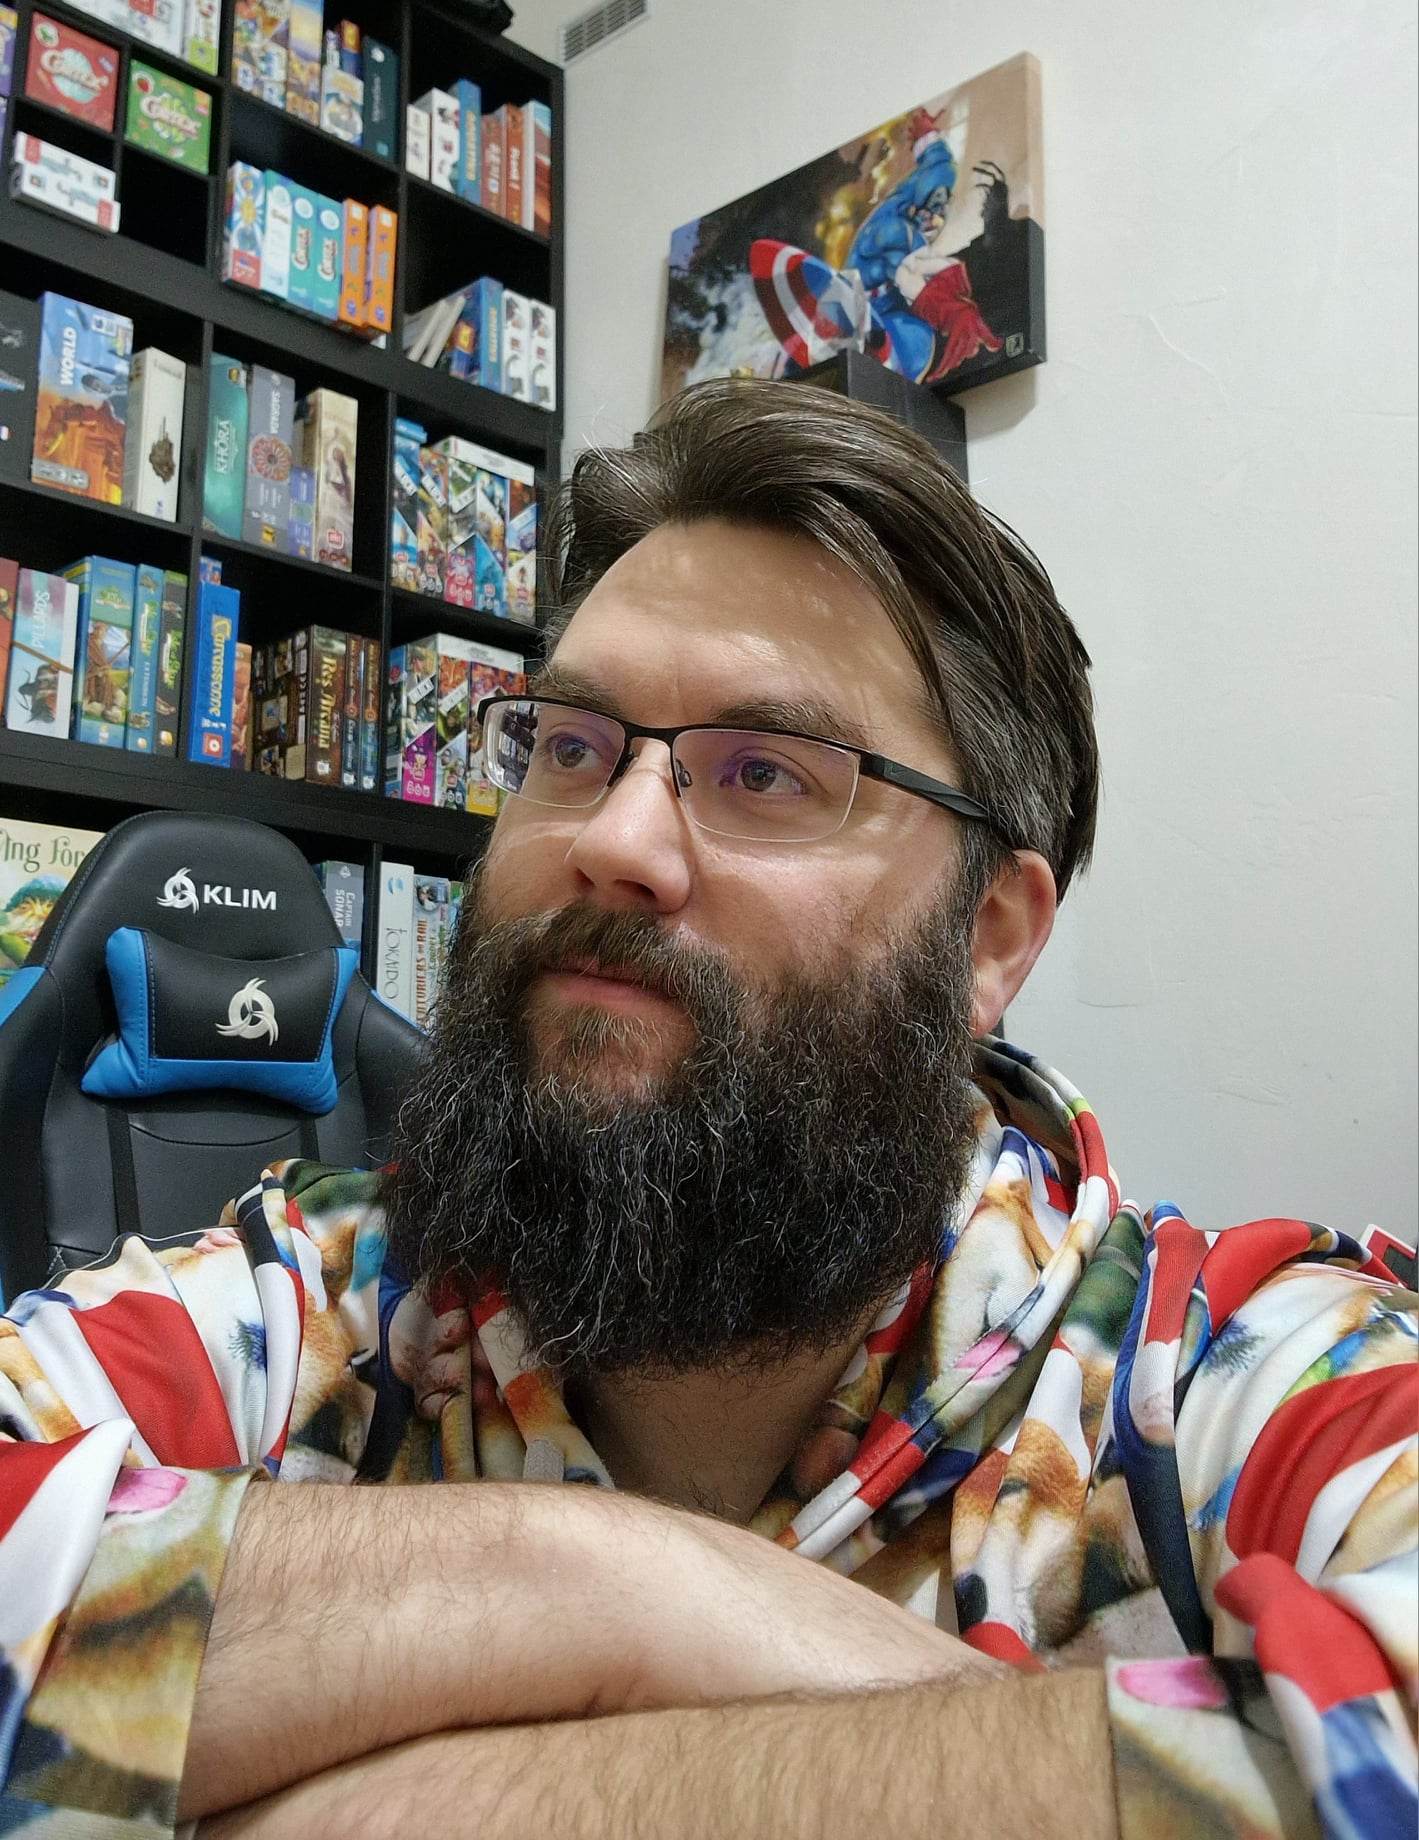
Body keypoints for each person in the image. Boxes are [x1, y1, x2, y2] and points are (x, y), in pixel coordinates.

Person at [1, 379, 1414, 1840]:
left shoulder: (1220, 1393)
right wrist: (612, 1587)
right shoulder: (304, 1318)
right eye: (571, 746)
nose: (615, 838)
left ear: (990, 938)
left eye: (767, 773)